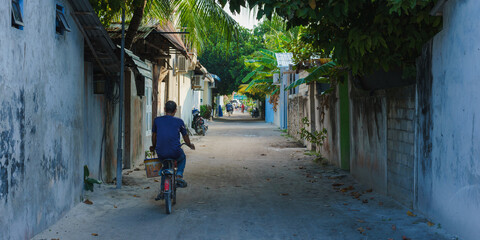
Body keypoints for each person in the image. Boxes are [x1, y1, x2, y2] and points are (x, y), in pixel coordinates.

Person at [150, 101, 195, 198]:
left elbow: (154, 136)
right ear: (175, 110)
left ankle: (162, 191)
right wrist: (189, 144)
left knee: (164, 168)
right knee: (182, 158)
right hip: (175, 152)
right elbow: (185, 136)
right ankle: (179, 175)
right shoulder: (179, 121)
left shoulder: (157, 120)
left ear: (165, 109)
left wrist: (153, 147)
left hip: (161, 152)